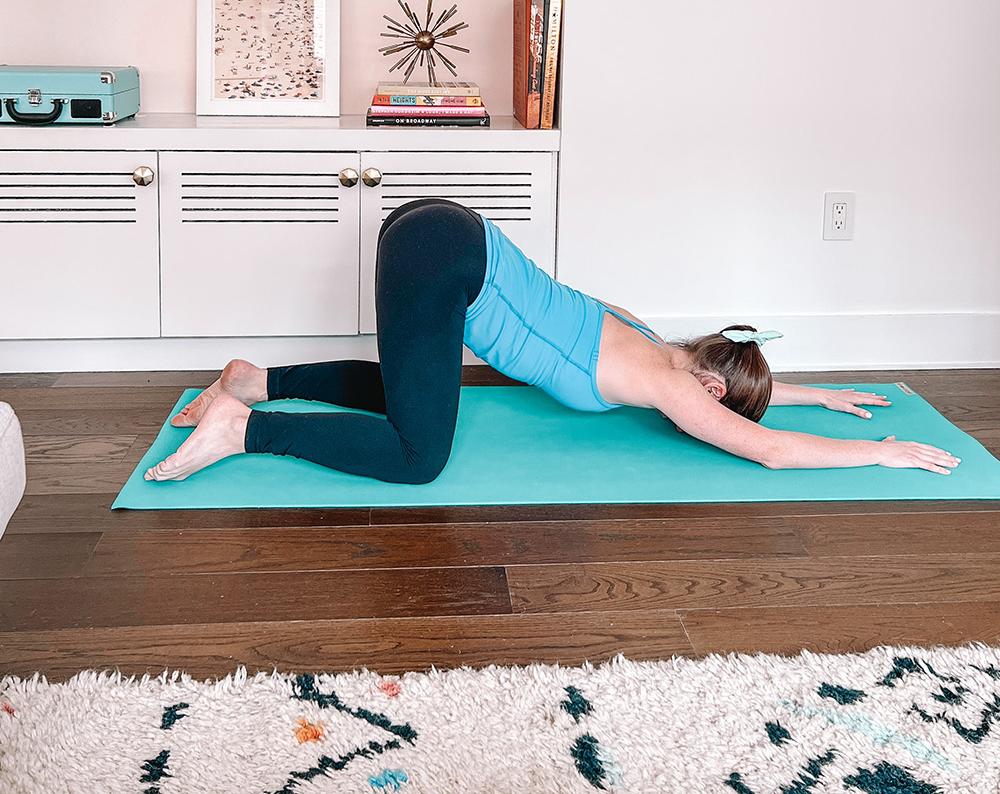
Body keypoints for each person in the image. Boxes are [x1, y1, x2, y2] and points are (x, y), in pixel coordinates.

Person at [146, 198, 962, 485]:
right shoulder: (675, 389)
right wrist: (878, 451)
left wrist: (819, 392)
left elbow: (746, 393)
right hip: (443, 261)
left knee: (420, 390)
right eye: (722, 402)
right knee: (417, 455)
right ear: (712, 389)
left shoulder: (653, 337)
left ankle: (257, 379)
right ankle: (246, 427)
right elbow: (773, 451)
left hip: (440, 231)